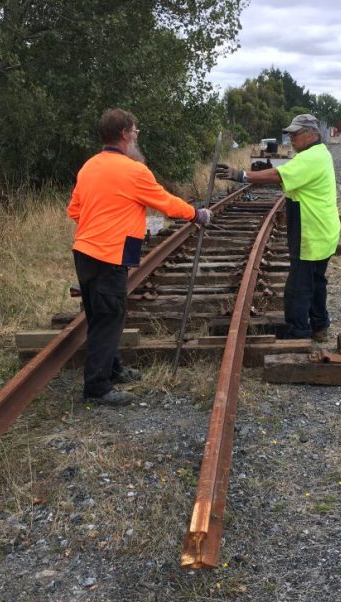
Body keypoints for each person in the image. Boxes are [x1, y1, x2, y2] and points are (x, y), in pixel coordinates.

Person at [68, 108, 212, 406]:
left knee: (99, 314)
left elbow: (74, 211)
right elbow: (167, 204)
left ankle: (112, 368)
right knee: (110, 317)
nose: (136, 135)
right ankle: (96, 388)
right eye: (134, 130)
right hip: (110, 254)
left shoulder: (89, 167)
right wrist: (196, 214)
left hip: (84, 251)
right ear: (123, 134)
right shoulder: (134, 171)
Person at [215, 114, 340, 341]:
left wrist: (241, 175)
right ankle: (320, 327)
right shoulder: (320, 153)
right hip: (324, 230)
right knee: (317, 281)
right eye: (290, 134)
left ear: (312, 134)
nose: (291, 138)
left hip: (310, 231)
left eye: (296, 133)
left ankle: (299, 335)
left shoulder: (311, 157)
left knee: (298, 287)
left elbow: (277, 175)